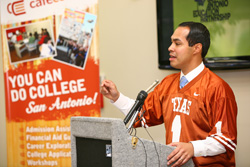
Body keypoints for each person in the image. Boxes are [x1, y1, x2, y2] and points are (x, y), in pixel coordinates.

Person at [100, 22, 237, 167]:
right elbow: (142, 115)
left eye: (177, 44)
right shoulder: (168, 83)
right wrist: (116, 98)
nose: (170, 48)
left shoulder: (217, 88)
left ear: (197, 48)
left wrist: (192, 148)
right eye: (171, 42)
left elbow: (226, 140)